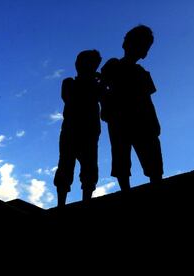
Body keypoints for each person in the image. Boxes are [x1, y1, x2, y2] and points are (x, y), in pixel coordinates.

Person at [101, 25, 164, 192]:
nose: (143, 50)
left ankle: (154, 184)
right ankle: (125, 191)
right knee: (121, 158)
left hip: (143, 120)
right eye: (141, 44)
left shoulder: (142, 72)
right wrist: (107, 110)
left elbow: (148, 100)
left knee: (153, 160)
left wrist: (154, 122)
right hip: (120, 118)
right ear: (127, 43)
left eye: (145, 47)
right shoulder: (113, 65)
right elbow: (102, 88)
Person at [54, 49, 104, 207]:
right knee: (65, 165)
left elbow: (104, 97)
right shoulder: (69, 83)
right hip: (71, 130)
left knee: (89, 167)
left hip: (89, 132)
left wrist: (100, 81)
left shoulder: (96, 85)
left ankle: (86, 201)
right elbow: (70, 98)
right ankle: (61, 203)